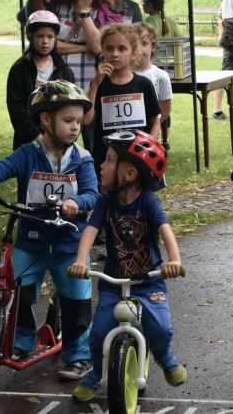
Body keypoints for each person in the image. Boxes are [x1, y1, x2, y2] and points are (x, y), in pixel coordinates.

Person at [0, 80, 99, 380]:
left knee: (77, 301)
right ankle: (22, 342)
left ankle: (78, 355)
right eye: (67, 121)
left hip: (69, 245)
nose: (75, 127)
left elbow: (93, 195)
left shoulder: (82, 159)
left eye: (78, 121)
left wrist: (77, 201)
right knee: (19, 293)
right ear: (45, 120)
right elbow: (2, 167)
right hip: (31, 241)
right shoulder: (28, 154)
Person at [67, 130, 187, 401]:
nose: (101, 164)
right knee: (98, 333)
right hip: (114, 281)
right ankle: (95, 374)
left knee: (161, 327)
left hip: (149, 279)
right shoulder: (105, 202)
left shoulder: (148, 201)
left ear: (130, 174)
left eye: (109, 160)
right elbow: (89, 230)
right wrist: (80, 260)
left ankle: (166, 359)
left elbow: (165, 230)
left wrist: (174, 260)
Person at [84, 24, 162, 168]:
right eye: (109, 48)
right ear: (102, 51)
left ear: (133, 52)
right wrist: (95, 84)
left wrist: (150, 144)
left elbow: (155, 120)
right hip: (105, 157)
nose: (115, 54)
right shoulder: (99, 84)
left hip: (137, 155)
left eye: (122, 48)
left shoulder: (143, 84)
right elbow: (87, 119)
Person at [7, 10, 75, 151]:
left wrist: (63, 136)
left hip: (59, 141)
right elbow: (16, 108)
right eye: (40, 36)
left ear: (56, 38)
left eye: (50, 37)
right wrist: (36, 137)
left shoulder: (63, 70)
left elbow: (72, 107)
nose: (45, 41)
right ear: (30, 37)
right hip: (28, 142)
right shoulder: (20, 69)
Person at [132, 23, 173, 149]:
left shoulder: (161, 76)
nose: (139, 49)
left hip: (149, 132)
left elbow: (165, 108)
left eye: (144, 44)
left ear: (153, 47)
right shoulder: (123, 75)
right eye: (134, 44)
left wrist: (152, 127)